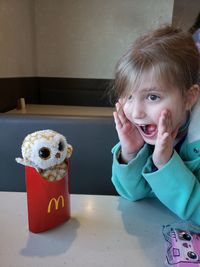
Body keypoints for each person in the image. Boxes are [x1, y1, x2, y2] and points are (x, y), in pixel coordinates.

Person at [111, 25, 200, 224]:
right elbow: (132, 194)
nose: (136, 113)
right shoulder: (141, 129)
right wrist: (131, 153)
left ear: (189, 98)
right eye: (129, 97)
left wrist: (165, 163)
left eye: (152, 97)